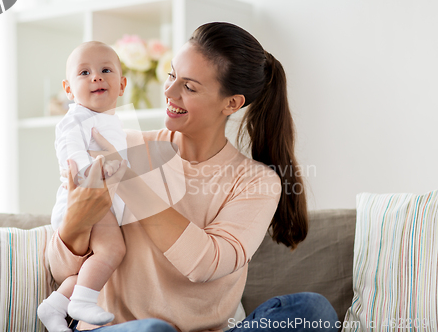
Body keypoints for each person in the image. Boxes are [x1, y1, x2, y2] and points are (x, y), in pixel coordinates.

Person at [48, 22, 339, 332]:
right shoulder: (120, 143)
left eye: (189, 86)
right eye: (172, 75)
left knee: (313, 311)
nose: (170, 92)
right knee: (154, 331)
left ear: (232, 103)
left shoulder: (257, 182)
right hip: (122, 329)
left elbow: (205, 263)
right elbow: (61, 269)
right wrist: (79, 214)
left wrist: (126, 178)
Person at [37, 41, 129, 332]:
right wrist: (94, 171)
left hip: (101, 200)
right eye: (84, 72)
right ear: (68, 89)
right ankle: (82, 304)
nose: (96, 77)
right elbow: (70, 152)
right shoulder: (75, 118)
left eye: (105, 70)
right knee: (113, 251)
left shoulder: (113, 122)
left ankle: (54, 307)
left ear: (122, 84)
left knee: (91, 266)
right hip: (85, 196)